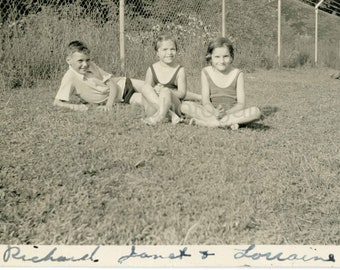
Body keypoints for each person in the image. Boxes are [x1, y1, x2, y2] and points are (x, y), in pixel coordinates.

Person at [54, 40, 160, 116]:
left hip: (125, 84)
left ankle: (171, 91)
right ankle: (169, 105)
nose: (85, 64)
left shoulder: (92, 66)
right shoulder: (70, 77)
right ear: (68, 60)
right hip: (123, 98)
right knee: (151, 101)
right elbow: (57, 102)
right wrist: (75, 107)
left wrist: (108, 105)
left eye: (87, 60)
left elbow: (112, 85)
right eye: (80, 61)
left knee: (152, 89)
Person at [180, 37, 261, 129]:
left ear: (231, 57)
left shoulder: (238, 73)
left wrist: (226, 113)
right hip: (211, 112)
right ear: (210, 57)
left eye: (225, 56)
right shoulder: (206, 72)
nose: (221, 61)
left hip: (232, 113)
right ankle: (226, 123)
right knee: (185, 106)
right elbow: (206, 101)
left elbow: (241, 104)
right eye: (217, 57)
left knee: (256, 111)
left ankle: (211, 123)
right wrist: (215, 112)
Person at [142, 33, 201, 125]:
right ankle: (171, 115)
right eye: (165, 50)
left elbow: (182, 94)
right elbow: (146, 93)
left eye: (172, 49)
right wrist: (155, 90)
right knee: (145, 87)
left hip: (173, 105)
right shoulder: (152, 69)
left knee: (165, 91)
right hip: (155, 106)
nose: (169, 53)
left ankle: (161, 116)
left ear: (176, 50)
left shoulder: (180, 70)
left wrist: (167, 91)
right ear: (157, 52)